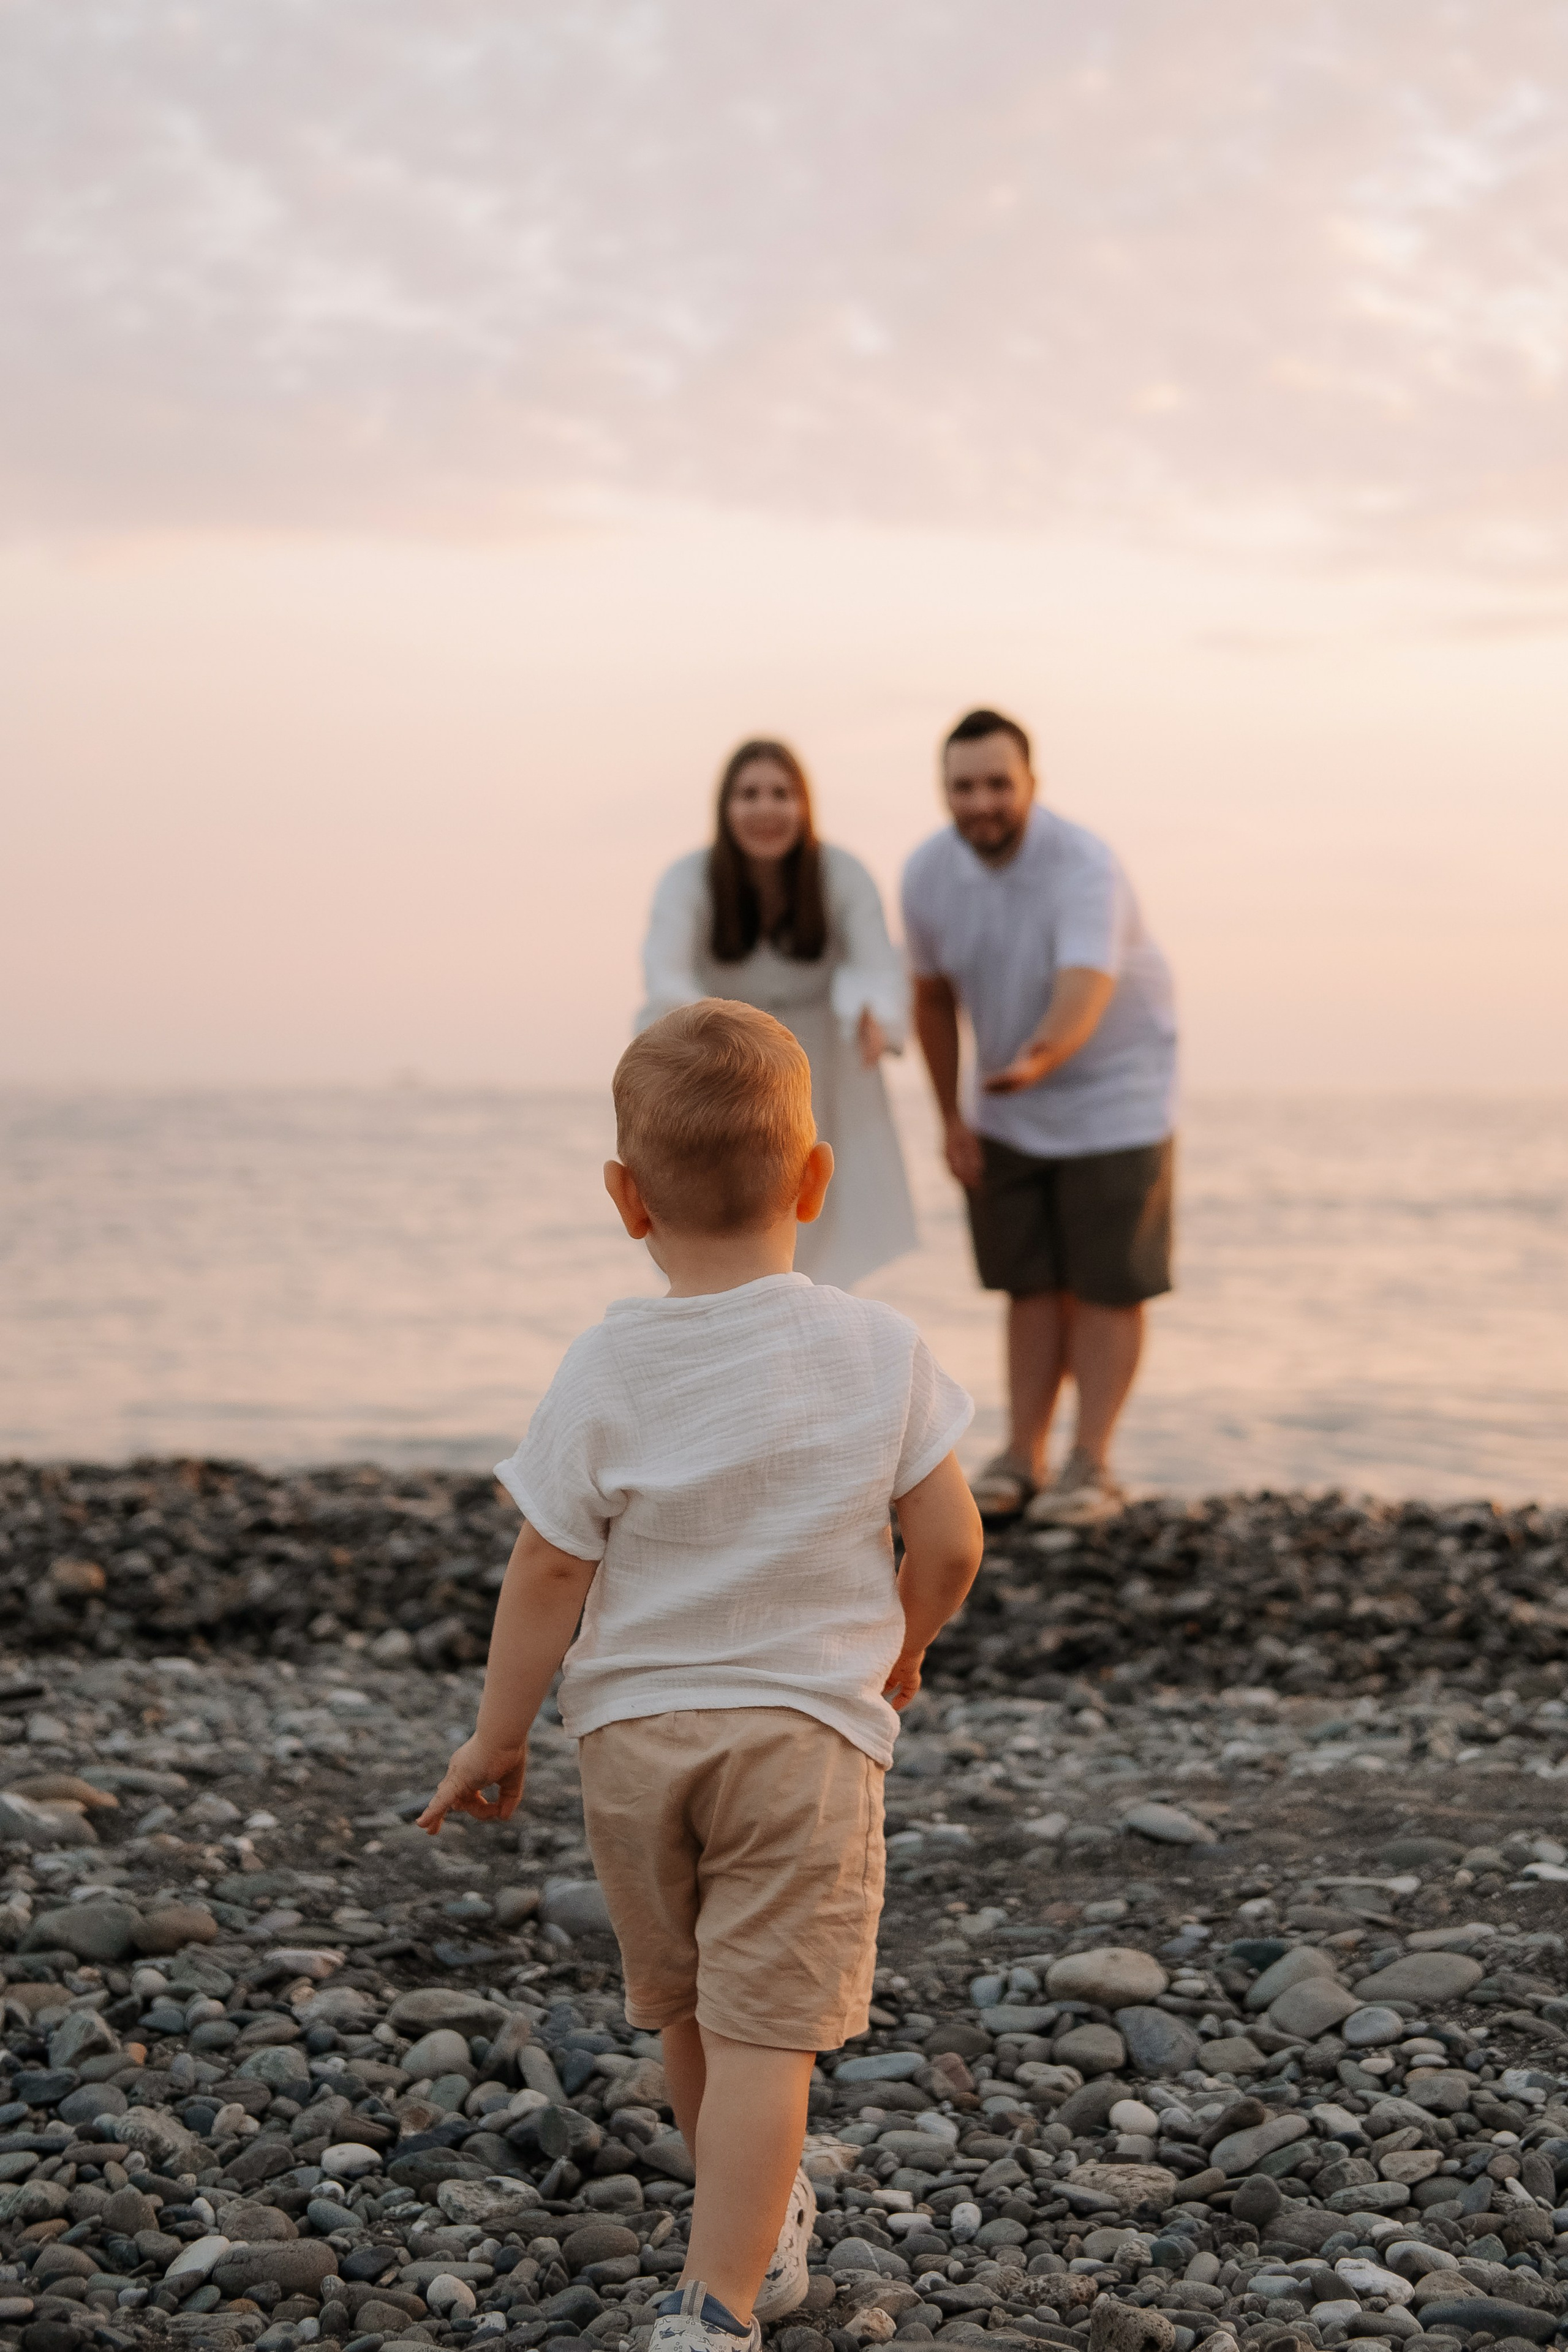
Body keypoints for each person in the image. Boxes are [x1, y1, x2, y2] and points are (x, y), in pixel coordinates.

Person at [419, 1001, 982, 2352]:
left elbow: (547, 1569)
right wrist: (902, 1645)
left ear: (626, 1199)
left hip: (632, 1741)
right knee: (766, 2034)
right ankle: (717, 2303)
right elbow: (951, 1540)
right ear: (815, 1178)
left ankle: (752, 2234)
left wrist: (497, 1735)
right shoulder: (876, 1348)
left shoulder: (607, 1362)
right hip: (800, 1740)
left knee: (684, 2008)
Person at [902, 707, 1177, 1526]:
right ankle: (1024, 1454)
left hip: (1114, 1095)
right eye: (963, 786)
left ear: (1031, 786)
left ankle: (1091, 1461)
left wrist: (1039, 1059)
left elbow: (1085, 985)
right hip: (1005, 1102)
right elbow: (932, 997)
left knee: (1104, 1282)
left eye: (997, 784)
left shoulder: (1083, 864)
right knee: (1028, 1281)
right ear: (943, 791)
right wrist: (952, 1116)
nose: (981, 802)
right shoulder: (925, 874)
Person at [638, 738, 916, 1289]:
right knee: (723, 1211)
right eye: (749, 795)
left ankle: (810, 1328)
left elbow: (876, 965)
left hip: (818, 1062)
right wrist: (705, 1038)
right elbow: (665, 974)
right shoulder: (688, 879)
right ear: (725, 807)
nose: (766, 810)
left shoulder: (841, 873)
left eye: (781, 794)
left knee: (814, 1206)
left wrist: (875, 1016)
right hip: (723, 1062)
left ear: (805, 805)